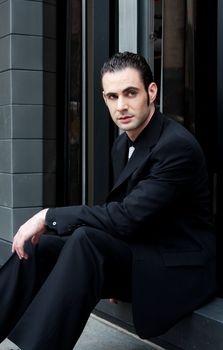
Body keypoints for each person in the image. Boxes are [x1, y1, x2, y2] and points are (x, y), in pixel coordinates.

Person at [0, 52, 216, 350]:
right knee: (40, 247)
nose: (121, 106)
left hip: (177, 267)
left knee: (86, 241)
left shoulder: (176, 146)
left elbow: (125, 217)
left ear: (152, 92)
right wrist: (111, 265)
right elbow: (128, 218)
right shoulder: (122, 143)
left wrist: (47, 215)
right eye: (112, 96)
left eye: (130, 93)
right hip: (141, 253)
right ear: (104, 99)